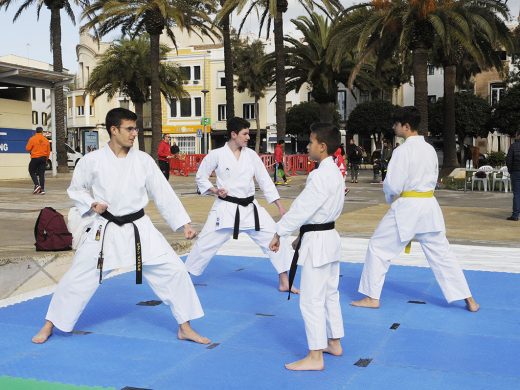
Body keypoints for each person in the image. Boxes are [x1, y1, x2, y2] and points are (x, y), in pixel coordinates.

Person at [32, 108, 210, 345]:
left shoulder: (143, 161)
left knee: (174, 271)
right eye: (129, 128)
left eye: (135, 128)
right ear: (113, 130)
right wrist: (91, 203)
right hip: (105, 229)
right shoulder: (92, 160)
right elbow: (76, 189)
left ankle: (185, 327)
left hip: (139, 228)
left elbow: (163, 193)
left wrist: (183, 223)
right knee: (79, 277)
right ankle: (50, 324)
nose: (134, 133)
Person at [351, 106, 479, 312]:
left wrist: (391, 198)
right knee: (442, 254)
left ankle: (372, 297)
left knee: (378, 247)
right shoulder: (429, 149)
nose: (393, 127)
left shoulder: (402, 151)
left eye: (396, 124)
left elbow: (393, 185)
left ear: (407, 126)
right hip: (429, 206)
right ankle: (469, 299)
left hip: (408, 207)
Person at [185, 117, 297, 293]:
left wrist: (279, 206)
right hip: (225, 208)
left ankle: (285, 282)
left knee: (275, 238)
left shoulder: (251, 155)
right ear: (233, 134)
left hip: (250, 208)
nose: (248, 137)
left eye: (248, 134)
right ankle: (183, 280)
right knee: (204, 244)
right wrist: (214, 190)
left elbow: (265, 181)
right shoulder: (217, 154)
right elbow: (200, 177)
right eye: (245, 134)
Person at [270, 122, 345, 371]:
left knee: (311, 300)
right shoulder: (334, 171)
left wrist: (280, 231)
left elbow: (303, 208)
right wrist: (302, 235)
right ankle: (333, 342)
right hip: (329, 236)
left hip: (319, 243)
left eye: (311, 141)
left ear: (322, 147)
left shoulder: (320, 175)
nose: (308, 146)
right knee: (329, 294)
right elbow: (320, 213)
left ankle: (315, 356)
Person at [26, 126, 50, 195]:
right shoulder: (46, 140)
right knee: (41, 174)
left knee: (31, 171)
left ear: (36, 132)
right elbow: (48, 152)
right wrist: (46, 159)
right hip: (43, 158)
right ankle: (42, 189)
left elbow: (27, 148)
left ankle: (37, 185)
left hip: (35, 158)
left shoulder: (32, 139)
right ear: (42, 132)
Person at [506, 130, 520, 221]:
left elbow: (509, 160)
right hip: (515, 171)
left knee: (517, 194)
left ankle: (515, 215)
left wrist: (510, 171)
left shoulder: (513, 146)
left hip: (516, 172)